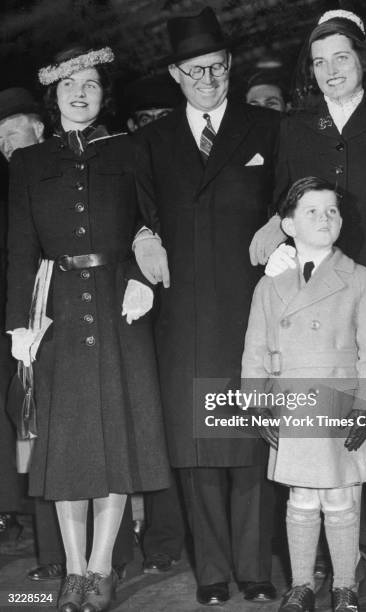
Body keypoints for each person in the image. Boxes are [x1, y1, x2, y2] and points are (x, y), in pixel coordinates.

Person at [250, 10, 366, 612]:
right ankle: (338, 567)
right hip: (317, 298)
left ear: (362, 61)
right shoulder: (296, 127)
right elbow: (282, 199)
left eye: (341, 59)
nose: (330, 71)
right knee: (321, 437)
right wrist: (276, 236)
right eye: (319, 62)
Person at [6, 45, 170, 612]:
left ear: (104, 94)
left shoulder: (132, 150)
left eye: (93, 83)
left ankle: (101, 567)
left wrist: (138, 274)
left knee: (117, 441)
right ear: (53, 97)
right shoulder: (28, 163)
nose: (81, 92)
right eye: (70, 84)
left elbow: (151, 221)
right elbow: (21, 250)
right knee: (66, 447)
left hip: (119, 310)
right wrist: (18, 327)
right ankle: (73, 571)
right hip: (55, 316)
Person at [133, 6, 279, 606]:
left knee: (250, 445)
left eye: (216, 68)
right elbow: (134, 212)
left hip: (250, 312)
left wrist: (281, 221)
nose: (207, 80)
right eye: (194, 72)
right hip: (186, 316)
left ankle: (255, 569)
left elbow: (300, 191)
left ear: (230, 65)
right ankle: (213, 573)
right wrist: (142, 237)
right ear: (175, 75)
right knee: (196, 452)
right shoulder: (151, 140)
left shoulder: (267, 129)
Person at [243, 176, 366, 612]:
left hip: (341, 403)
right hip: (292, 403)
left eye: (332, 211)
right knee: (301, 498)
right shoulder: (270, 286)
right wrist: (258, 404)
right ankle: (301, 585)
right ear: (287, 225)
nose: (325, 219)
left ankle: (345, 585)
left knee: (341, 495)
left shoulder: (360, 279)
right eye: (312, 211)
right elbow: (253, 350)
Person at [125, 73, 186, 574]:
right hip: (145, 309)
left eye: (159, 118)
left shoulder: (179, 156)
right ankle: (163, 537)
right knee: (160, 424)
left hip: (190, 301)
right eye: (141, 119)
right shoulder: (127, 160)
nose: (151, 128)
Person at [0, 87, 43, 548]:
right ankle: (10, 506)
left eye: (15, 131)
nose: (9, 144)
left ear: (39, 129)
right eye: (1, 139)